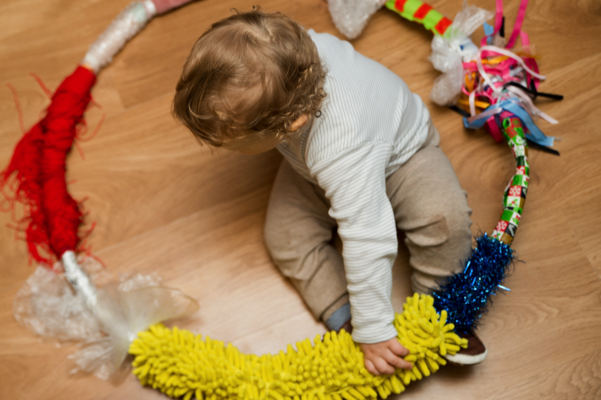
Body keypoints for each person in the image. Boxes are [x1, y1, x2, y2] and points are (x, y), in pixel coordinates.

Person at [172, 8, 486, 374]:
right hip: (314, 169)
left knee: (444, 221)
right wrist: (360, 321)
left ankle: (441, 311)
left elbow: (368, 237)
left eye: (234, 144)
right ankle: (344, 314)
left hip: (403, 161)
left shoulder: (340, 144)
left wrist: (375, 328)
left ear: (292, 123)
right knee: (285, 239)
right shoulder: (284, 51)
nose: (227, 149)